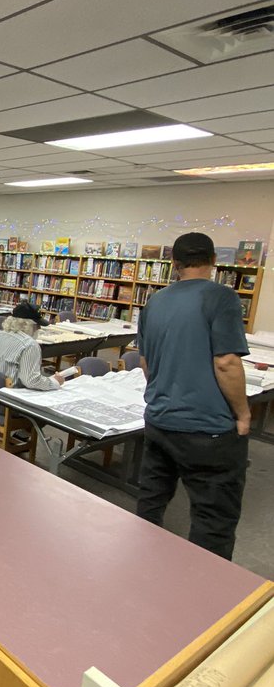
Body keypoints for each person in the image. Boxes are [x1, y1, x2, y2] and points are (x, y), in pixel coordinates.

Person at [135, 231, 250, 561]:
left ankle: (139, 565)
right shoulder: (222, 297)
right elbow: (226, 362)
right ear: (213, 261)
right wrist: (243, 414)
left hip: (159, 420)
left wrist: (165, 388)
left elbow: (145, 362)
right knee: (213, 518)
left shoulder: (154, 301)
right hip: (207, 428)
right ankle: (206, 584)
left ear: (174, 263)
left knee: (151, 501)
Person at [0, 301, 65, 390]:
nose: (39, 328)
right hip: (5, 395)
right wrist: (55, 382)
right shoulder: (29, 345)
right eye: (37, 325)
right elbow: (31, 381)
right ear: (27, 325)